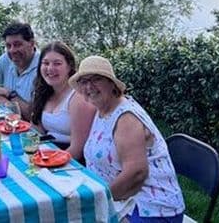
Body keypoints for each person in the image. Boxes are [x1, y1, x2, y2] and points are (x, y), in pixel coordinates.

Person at [71, 55, 185, 223]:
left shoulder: (126, 118)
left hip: (151, 208)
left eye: (96, 79)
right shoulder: (102, 109)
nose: (89, 86)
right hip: (124, 200)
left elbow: (136, 174)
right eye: (84, 81)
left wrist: (97, 203)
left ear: (111, 83)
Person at [29, 41, 96, 162]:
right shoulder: (43, 92)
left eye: (57, 63)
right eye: (45, 63)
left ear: (69, 67)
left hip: (71, 161)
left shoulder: (79, 98)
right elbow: (36, 131)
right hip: (47, 152)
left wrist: (48, 163)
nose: (50, 68)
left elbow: (77, 150)